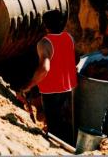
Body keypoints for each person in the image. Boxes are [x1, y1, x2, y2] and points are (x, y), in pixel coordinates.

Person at [20, 9, 78, 145]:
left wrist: (29, 86)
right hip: (70, 88)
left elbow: (45, 68)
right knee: (69, 124)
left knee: (54, 129)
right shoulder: (69, 38)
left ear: (45, 25)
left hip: (52, 92)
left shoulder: (44, 43)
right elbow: (76, 59)